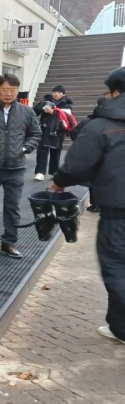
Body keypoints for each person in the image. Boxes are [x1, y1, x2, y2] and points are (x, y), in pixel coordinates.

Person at [49, 67, 125, 343]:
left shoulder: (104, 124)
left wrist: (59, 182)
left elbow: (78, 164)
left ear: (115, 92)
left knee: (117, 268)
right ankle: (119, 327)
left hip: (119, 213)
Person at [0, 73, 41, 259]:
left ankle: (9, 242)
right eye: (5, 89)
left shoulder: (27, 112)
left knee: (12, 207)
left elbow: (35, 133)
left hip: (16, 168)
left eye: (13, 90)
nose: (9, 93)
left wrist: (25, 148)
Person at [33, 85, 73, 180]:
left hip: (58, 130)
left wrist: (53, 112)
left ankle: (54, 172)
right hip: (45, 129)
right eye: (54, 92)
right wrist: (41, 106)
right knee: (42, 151)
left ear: (63, 94)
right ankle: (40, 172)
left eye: (59, 93)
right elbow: (34, 112)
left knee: (56, 152)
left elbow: (66, 116)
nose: (56, 94)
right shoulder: (45, 101)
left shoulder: (66, 105)